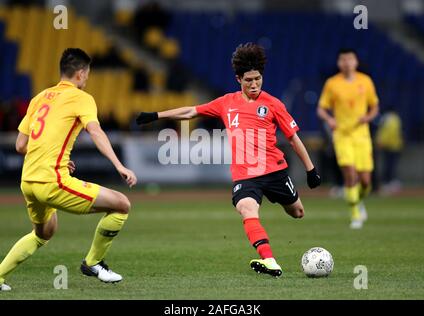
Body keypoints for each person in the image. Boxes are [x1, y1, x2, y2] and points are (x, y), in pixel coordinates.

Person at [136, 43, 321, 277]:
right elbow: (191, 111)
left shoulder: (274, 104)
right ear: (238, 79)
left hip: (275, 171)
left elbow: (293, 139)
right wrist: (156, 115)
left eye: (257, 79)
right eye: (248, 80)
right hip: (245, 175)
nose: (254, 84)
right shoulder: (226, 103)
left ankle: (275, 243)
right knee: (246, 208)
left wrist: (311, 170)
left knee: (297, 213)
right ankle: (270, 261)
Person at [0, 48, 137, 291]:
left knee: (43, 233)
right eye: (88, 74)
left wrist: (55, 155)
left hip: (28, 181)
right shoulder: (81, 98)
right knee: (121, 204)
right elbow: (95, 131)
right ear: (82, 73)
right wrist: (119, 165)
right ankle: (93, 263)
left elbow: (21, 145)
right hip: (52, 181)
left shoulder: (39, 98)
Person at [317, 48, 379, 229]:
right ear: (339, 63)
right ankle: (355, 214)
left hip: (362, 136)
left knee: (366, 182)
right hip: (342, 135)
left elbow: (374, 106)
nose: (347, 63)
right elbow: (321, 108)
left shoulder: (365, 81)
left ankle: (359, 201)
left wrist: (368, 117)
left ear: (356, 61)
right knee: (350, 174)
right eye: (343, 59)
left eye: (350, 59)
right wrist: (329, 119)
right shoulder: (332, 83)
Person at [375, 107, 403, 195]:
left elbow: (387, 133)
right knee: (390, 165)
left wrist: (381, 142)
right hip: (394, 146)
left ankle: (388, 183)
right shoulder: (396, 118)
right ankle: (389, 182)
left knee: (389, 165)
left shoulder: (388, 119)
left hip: (390, 146)